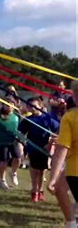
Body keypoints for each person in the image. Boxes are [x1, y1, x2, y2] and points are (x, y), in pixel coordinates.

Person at [48, 80, 78, 228]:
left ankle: (72, 224)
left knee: (59, 188)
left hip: (75, 172)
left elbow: (62, 149)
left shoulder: (70, 117)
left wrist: (53, 177)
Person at [18, 97, 59, 202]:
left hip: (45, 148)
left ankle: (40, 191)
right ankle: (34, 191)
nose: (32, 108)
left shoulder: (48, 118)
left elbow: (57, 130)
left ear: (40, 106)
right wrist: (23, 142)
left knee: (42, 171)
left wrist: (52, 140)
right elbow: (20, 132)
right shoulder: (28, 120)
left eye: (34, 106)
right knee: (34, 170)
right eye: (29, 106)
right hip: (33, 148)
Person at [0, 97, 20, 189]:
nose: (8, 106)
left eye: (11, 104)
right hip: (2, 141)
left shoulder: (17, 116)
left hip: (13, 140)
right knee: (4, 160)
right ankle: (2, 180)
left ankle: (13, 173)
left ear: (14, 105)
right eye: (6, 104)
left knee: (18, 157)